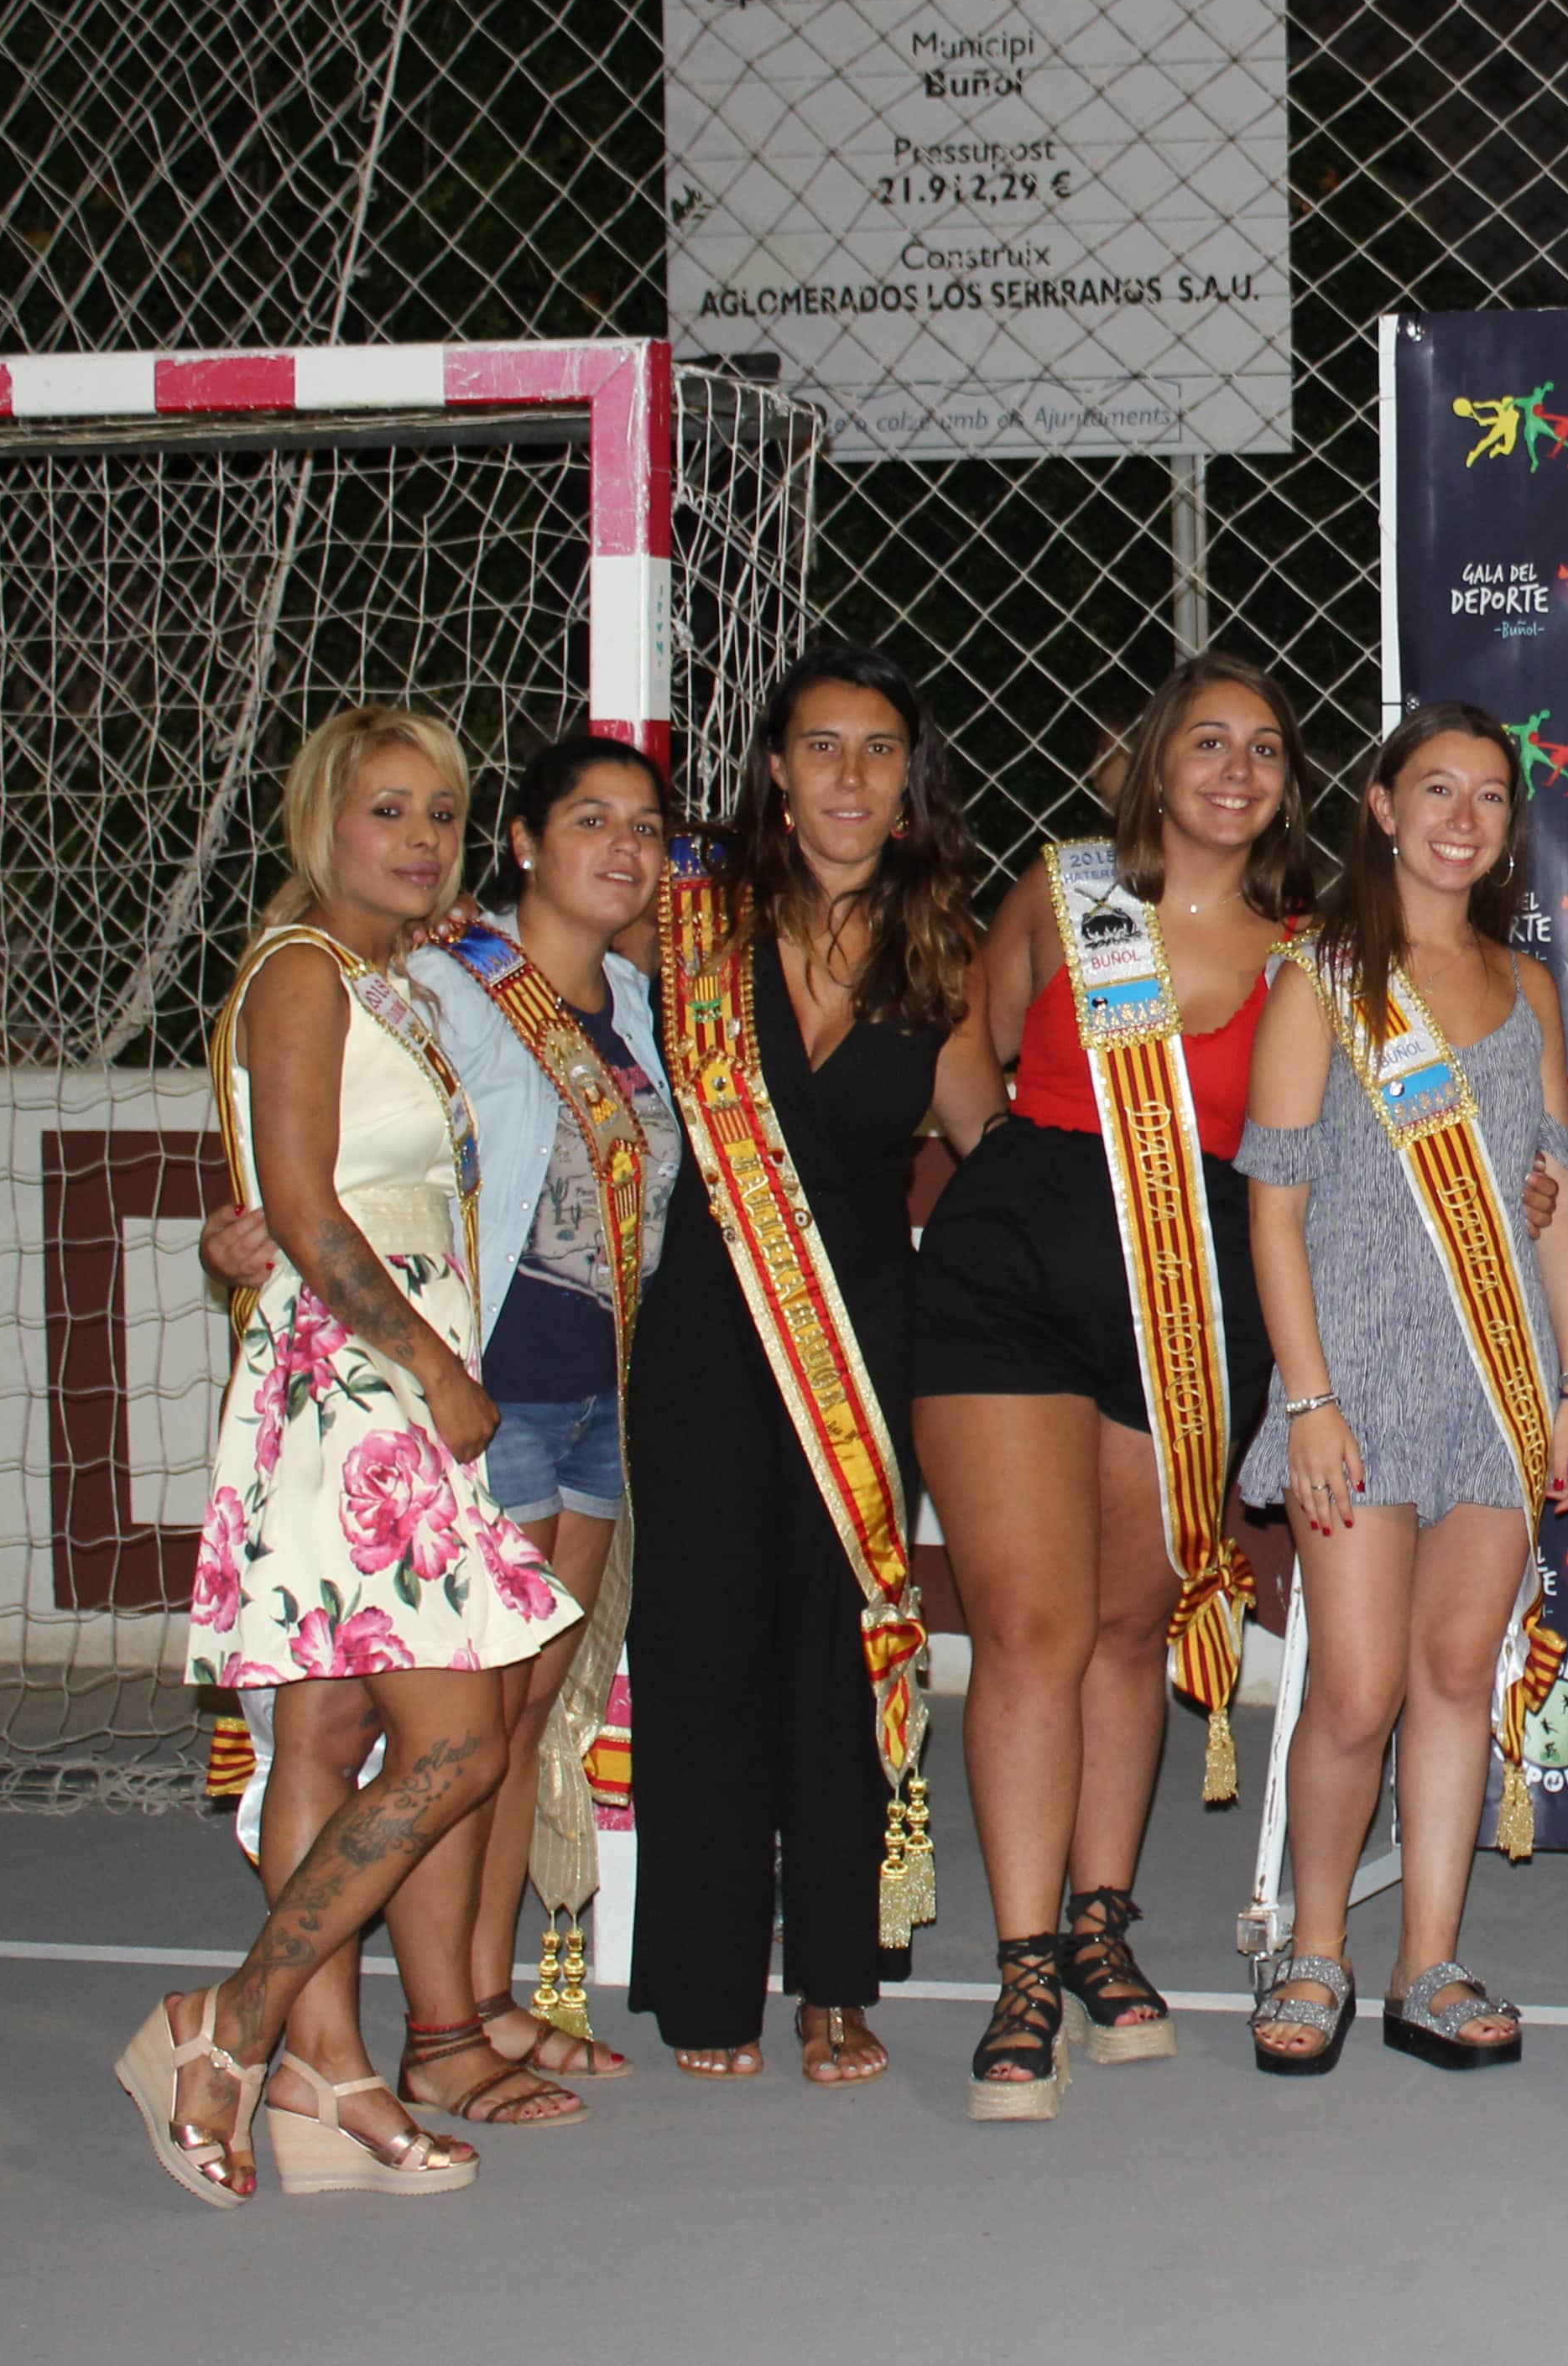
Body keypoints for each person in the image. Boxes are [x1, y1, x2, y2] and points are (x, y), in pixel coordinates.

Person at [124, 707, 585, 2205]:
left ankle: (327, 2066)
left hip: (367, 1375)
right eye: (388, 810)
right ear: (320, 821)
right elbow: (309, 1208)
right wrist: (437, 1371)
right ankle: (232, 2023)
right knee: (458, 1742)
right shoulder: (303, 971)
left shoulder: (388, 983)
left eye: (443, 813)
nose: (422, 838)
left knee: (326, 1732)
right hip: (359, 1389)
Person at [909, 651, 1309, 2115]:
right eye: (1206, 741)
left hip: (1192, 1306)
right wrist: (1007, 1173)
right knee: (1028, 1627)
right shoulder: (1065, 887)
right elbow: (967, 1037)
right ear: (1150, 764)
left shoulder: (1308, 951)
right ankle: (1022, 1965)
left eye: (1263, 748)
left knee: (1131, 1625)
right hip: (1006, 1288)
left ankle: (1097, 1924)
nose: (1234, 770)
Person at [633, 649, 1001, 2091]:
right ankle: (705, 1976)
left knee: (845, 1654)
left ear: (913, 779)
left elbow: (991, 1152)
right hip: (703, 1333)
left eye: (880, 749)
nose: (852, 775)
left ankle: (839, 1978)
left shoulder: (942, 949)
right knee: (703, 1647)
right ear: (776, 770)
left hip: (858, 1340)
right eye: (824, 745)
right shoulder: (685, 924)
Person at [1232, 707, 1568, 2072]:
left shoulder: (1532, 986)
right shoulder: (1319, 981)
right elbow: (1274, 1209)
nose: (1463, 818)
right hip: (1357, 1381)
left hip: (1496, 1384)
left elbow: (1555, 1196)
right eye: (1436, 790)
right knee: (1354, 1688)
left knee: (1458, 1672)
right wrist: (1310, 1402)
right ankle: (1315, 1950)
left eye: (1491, 796)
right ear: (1383, 808)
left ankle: (1426, 1962)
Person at [416, 733, 677, 2078]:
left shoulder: (634, 1004)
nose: (623, 848)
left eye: (645, 827)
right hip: (495, 1391)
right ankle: (443, 2023)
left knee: (528, 1715)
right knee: (467, 1725)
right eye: (590, 820)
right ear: (521, 841)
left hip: (600, 1401)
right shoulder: (450, 984)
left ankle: (486, 1991)